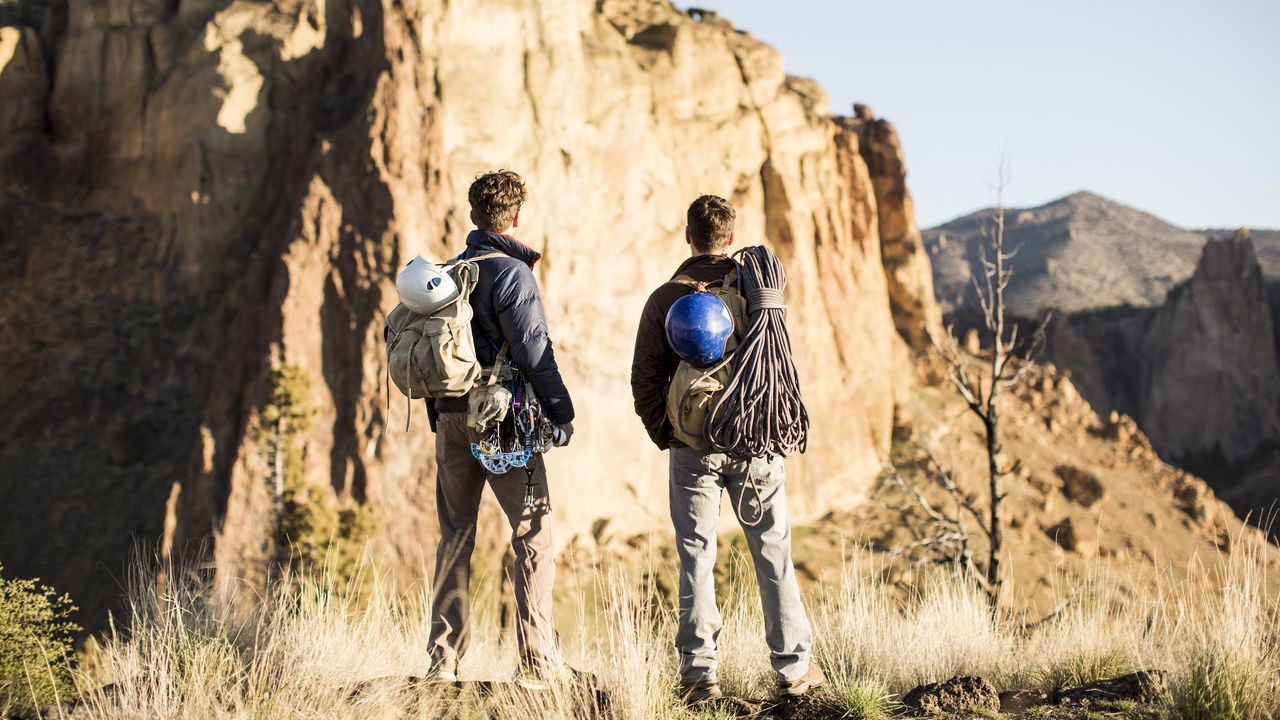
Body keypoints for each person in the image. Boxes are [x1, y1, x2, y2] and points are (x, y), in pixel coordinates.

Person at [630, 195, 825, 703]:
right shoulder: (759, 292)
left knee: (695, 553)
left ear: (688, 235)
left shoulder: (664, 298)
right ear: (731, 238)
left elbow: (644, 379)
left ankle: (699, 676)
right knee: (773, 550)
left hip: (692, 446)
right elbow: (778, 362)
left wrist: (670, 432)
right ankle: (795, 670)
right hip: (756, 441)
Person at [426, 169, 575, 689]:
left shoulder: (446, 273)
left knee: (455, 537)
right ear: (515, 218)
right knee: (534, 535)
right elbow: (534, 350)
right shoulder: (512, 273)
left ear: (473, 216)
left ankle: (443, 658)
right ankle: (537, 662)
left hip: (449, 418)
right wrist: (561, 410)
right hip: (503, 423)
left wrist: (441, 417)